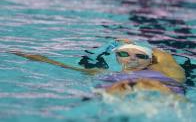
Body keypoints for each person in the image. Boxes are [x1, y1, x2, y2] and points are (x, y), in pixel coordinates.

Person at [10, 39, 186, 96]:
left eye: (140, 56)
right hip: (124, 90)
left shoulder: (167, 72)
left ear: (149, 61)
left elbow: (165, 57)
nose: (132, 58)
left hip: (158, 89)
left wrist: (127, 41)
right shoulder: (104, 73)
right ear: (117, 57)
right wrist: (36, 57)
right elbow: (62, 66)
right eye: (125, 54)